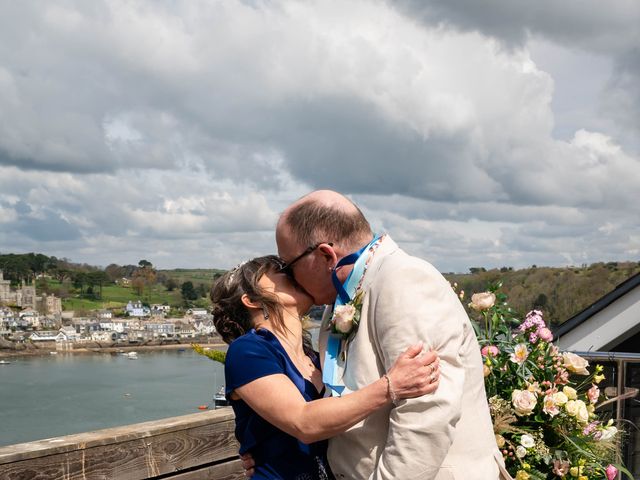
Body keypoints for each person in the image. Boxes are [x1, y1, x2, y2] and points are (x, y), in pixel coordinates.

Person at [272, 190, 507, 479]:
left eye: (288, 266)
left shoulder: (404, 279)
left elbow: (426, 412)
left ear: (324, 255)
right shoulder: (344, 296)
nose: (289, 278)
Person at [212, 255, 441, 480]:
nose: (289, 271)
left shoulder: (314, 356)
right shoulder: (247, 351)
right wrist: (391, 385)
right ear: (251, 300)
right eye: (278, 270)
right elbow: (303, 422)